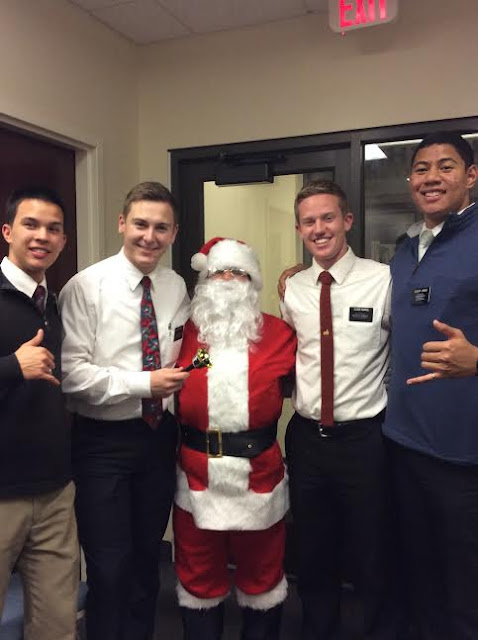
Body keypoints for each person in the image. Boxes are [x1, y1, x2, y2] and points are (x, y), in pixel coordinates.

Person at [59, 181, 190, 640]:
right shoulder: (86, 287)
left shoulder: (175, 286)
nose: (149, 237)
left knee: (147, 561)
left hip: (158, 438)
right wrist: (144, 384)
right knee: (109, 567)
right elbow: (72, 375)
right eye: (140, 224)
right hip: (103, 444)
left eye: (161, 227)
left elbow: (188, 352)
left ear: (174, 233)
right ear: (121, 223)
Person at [281, 180, 396, 639]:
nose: (319, 228)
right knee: (313, 553)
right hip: (307, 439)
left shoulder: (382, 279)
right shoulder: (293, 288)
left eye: (328, 217)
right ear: (299, 229)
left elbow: (403, 349)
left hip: (365, 441)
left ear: (347, 220)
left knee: (373, 553)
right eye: (309, 221)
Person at [173, 237, 296, 640]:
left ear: (253, 281)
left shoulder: (280, 333)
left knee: (262, 579)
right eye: (219, 272)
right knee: (198, 579)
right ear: (205, 280)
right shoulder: (185, 334)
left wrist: (298, 282)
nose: (228, 279)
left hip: (258, 478)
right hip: (196, 480)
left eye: (238, 272)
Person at [383, 132, 478, 640]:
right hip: (402, 442)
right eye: (422, 169)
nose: (432, 177)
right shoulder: (404, 251)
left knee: (464, 586)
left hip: (462, 453)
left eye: (446, 166)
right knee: (417, 576)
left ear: (471, 175)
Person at [0, 187, 79, 640]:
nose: (42, 236)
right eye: (30, 225)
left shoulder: (52, 301)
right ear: (7, 231)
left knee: (56, 625)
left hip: (53, 493)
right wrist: (13, 366)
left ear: (63, 241)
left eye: (53, 229)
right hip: (1, 492)